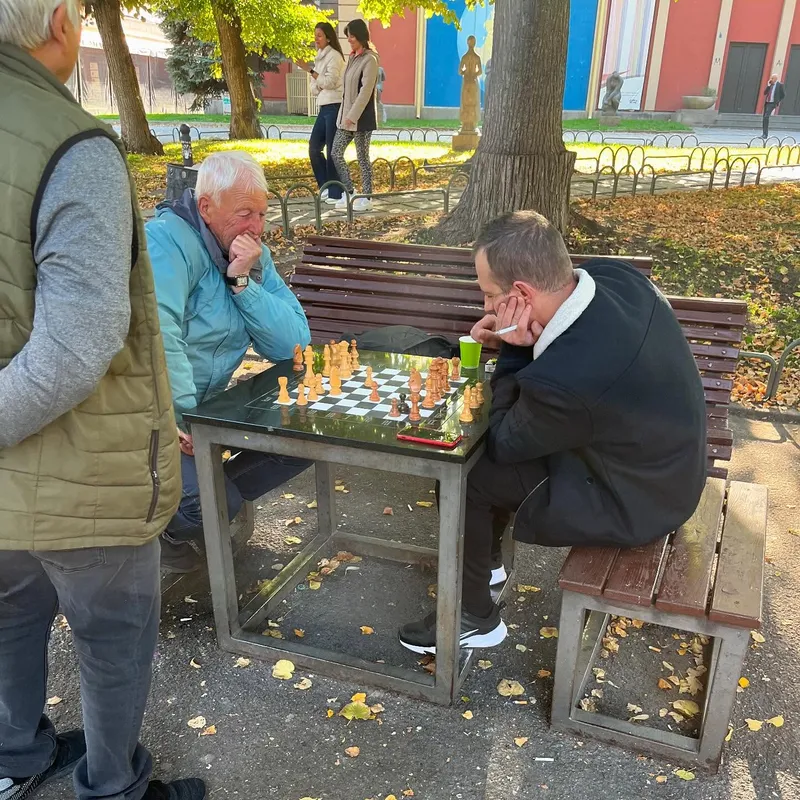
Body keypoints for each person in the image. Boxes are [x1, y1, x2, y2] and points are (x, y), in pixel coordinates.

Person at [0, 2, 204, 799]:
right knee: (112, 640)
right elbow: (74, 351)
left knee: (10, 615)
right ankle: (113, 785)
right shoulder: (70, 146)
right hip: (88, 473)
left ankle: (14, 755)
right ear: (60, 21)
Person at [399, 211, 707, 654]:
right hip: (666, 465)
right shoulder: (615, 277)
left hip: (638, 502)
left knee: (467, 474)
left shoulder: (570, 380)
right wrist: (524, 343)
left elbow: (505, 441)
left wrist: (513, 349)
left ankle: (472, 618)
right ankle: (484, 566)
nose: (487, 307)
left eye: (490, 294)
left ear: (522, 293)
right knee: (478, 468)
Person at [146, 151, 312, 573]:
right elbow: (158, 337)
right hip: (150, 415)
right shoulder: (165, 243)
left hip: (207, 412)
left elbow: (294, 344)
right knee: (209, 504)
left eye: (262, 214)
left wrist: (242, 282)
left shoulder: (253, 255)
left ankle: (198, 501)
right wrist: (185, 418)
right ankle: (157, 530)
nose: (256, 227)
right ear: (206, 207)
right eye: (244, 214)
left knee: (303, 442)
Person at [331, 19, 380, 213]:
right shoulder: (352, 58)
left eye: (352, 35)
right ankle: (350, 192)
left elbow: (365, 92)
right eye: (348, 36)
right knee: (335, 153)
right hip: (346, 118)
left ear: (360, 36)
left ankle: (367, 198)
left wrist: (352, 115)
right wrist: (344, 116)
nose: (349, 39)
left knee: (362, 158)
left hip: (362, 119)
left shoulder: (370, 60)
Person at [298, 21, 345, 205]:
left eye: (319, 35)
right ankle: (325, 186)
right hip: (324, 106)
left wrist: (311, 71)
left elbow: (330, 82)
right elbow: (314, 88)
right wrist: (317, 79)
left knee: (332, 150)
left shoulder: (334, 56)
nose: (316, 39)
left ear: (328, 37)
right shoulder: (319, 57)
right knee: (314, 147)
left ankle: (336, 192)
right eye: (315, 35)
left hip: (334, 106)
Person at [762, 73, 785, 138]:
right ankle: (764, 133)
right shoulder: (770, 85)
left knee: (766, 117)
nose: (771, 79)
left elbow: (783, 95)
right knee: (764, 118)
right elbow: (764, 93)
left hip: (772, 103)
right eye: (771, 78)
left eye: (772, 78)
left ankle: (765, 134)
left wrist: (777, 101)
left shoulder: (780, 85)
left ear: (776, 79)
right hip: (767, 102)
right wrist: (768, 86)